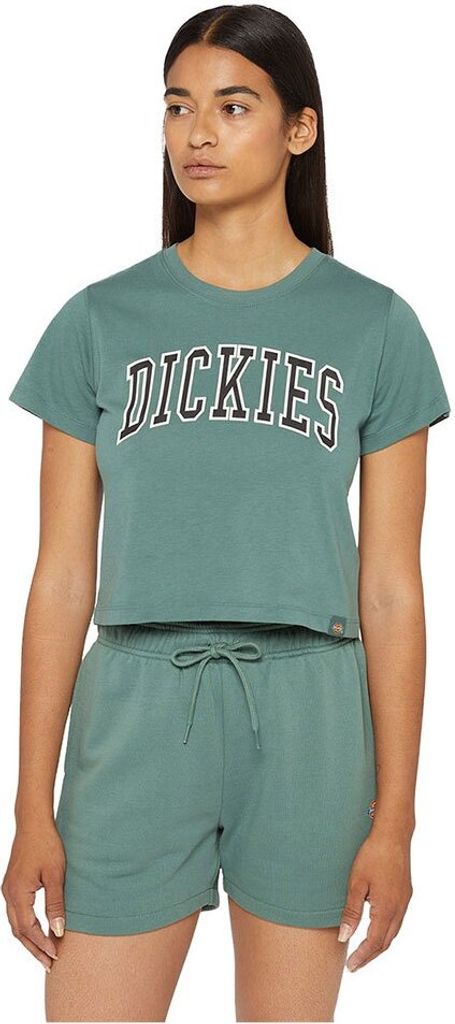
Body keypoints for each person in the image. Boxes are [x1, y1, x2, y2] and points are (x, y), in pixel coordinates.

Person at [2, 4, 451, 1022]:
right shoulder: (97, 320)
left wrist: (395, 820)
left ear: (300, 127)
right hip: (134, 705)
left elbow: (390, 588)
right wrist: (30, 805)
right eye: (177, 107)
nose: (196, 133)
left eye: (232, 106)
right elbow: (60, 577)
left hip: (310, 713)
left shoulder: (375, 325)